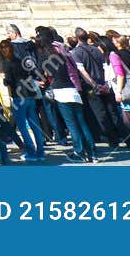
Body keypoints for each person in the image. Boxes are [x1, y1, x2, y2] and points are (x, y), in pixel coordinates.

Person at [38, 28, 97, 163]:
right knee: (82, 123)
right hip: (72, 89)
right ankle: (92, 153)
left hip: (60, 91)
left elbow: (43, 75)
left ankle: (79, 151)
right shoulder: (61, 53)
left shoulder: (44, 56)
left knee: (72, 125)